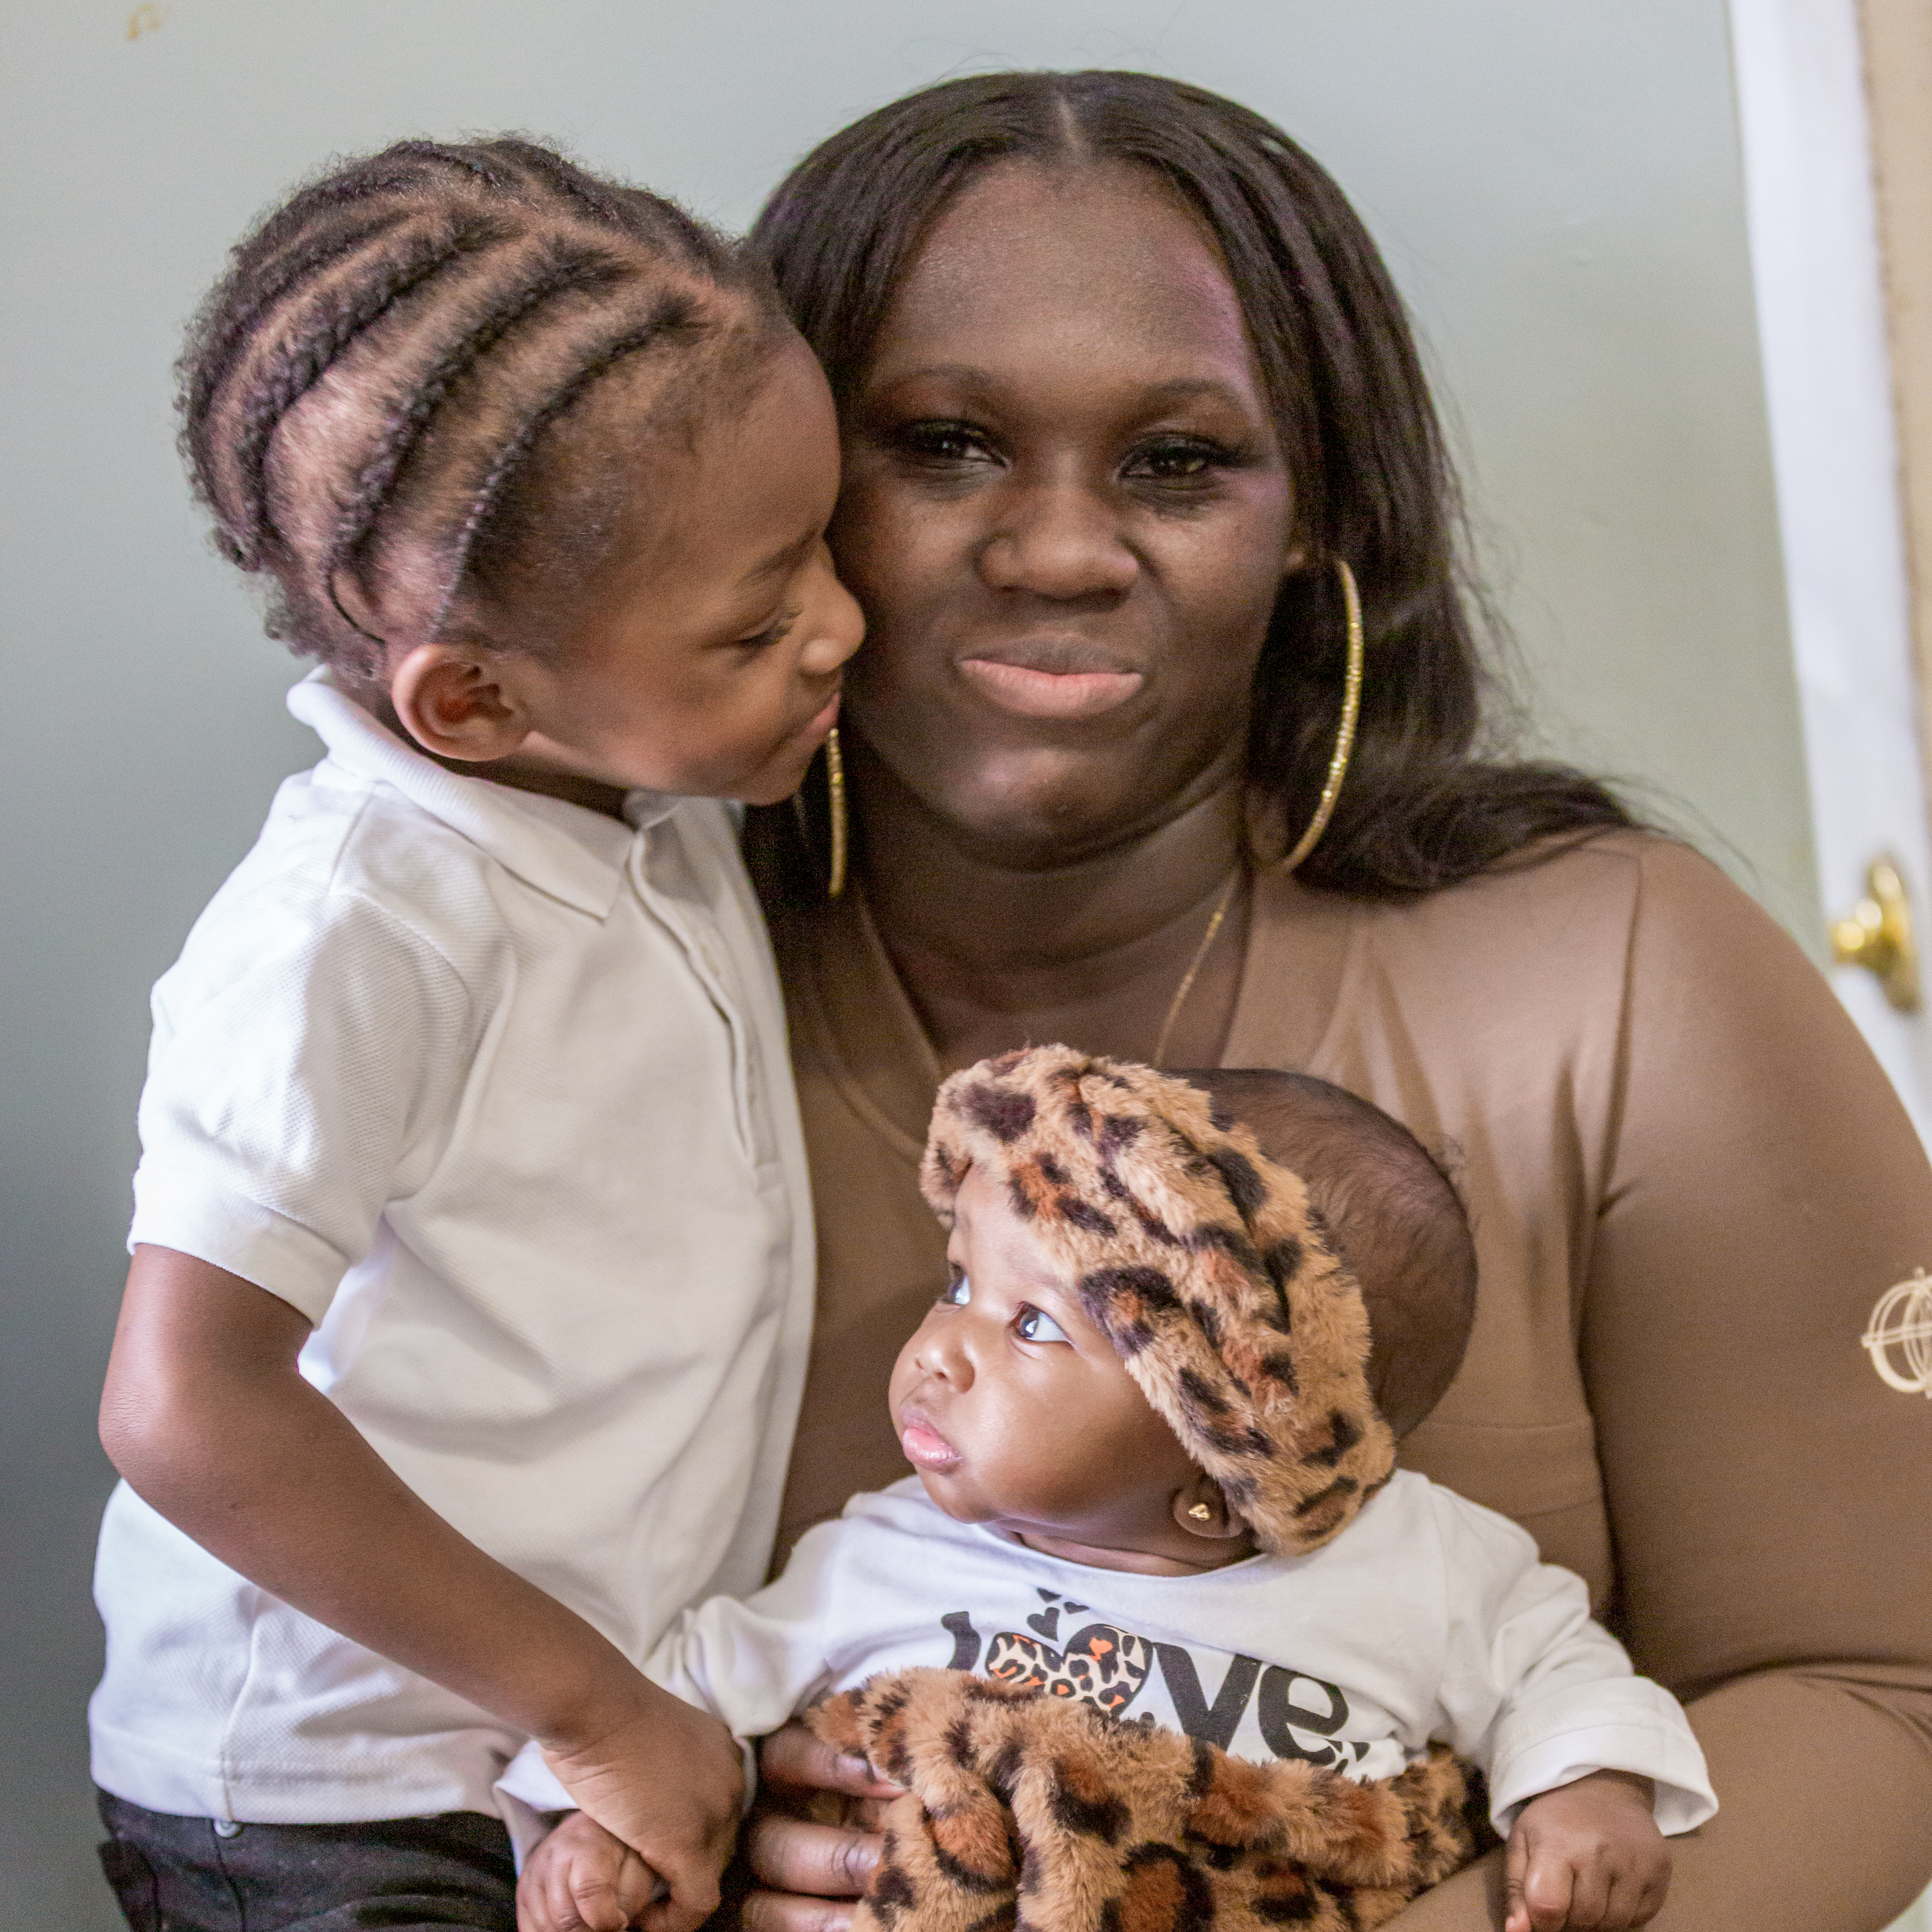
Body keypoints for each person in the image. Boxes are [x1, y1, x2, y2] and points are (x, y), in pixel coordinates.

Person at [729, 70, 1932, 1932]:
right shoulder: (589, 1006)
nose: (1059, 549)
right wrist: (673, 1812)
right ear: (785, 486)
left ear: (1314, 520)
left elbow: (1888, 1690)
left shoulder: (1617, 979)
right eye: (945, 443)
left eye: (1179, 461)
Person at [89, 137, 862, 1932]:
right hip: (322, 1804)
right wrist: (593, 1711)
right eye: (758, 619)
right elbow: (181, 1407)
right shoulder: (356, 928)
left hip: (542, 1762)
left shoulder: (646, 801)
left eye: (822, 547)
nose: (842, 627)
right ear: (475, 699)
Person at [514, 1050, 1714, 1932]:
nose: (937, 1348)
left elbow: (1558, 1670)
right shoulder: (876, 1553)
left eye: (1032, 1321)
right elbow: (685, 1695)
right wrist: (604, 1830)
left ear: (1220, 1453)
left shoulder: (1424, 1564)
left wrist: (1584, 1790)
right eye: (957, 1282)